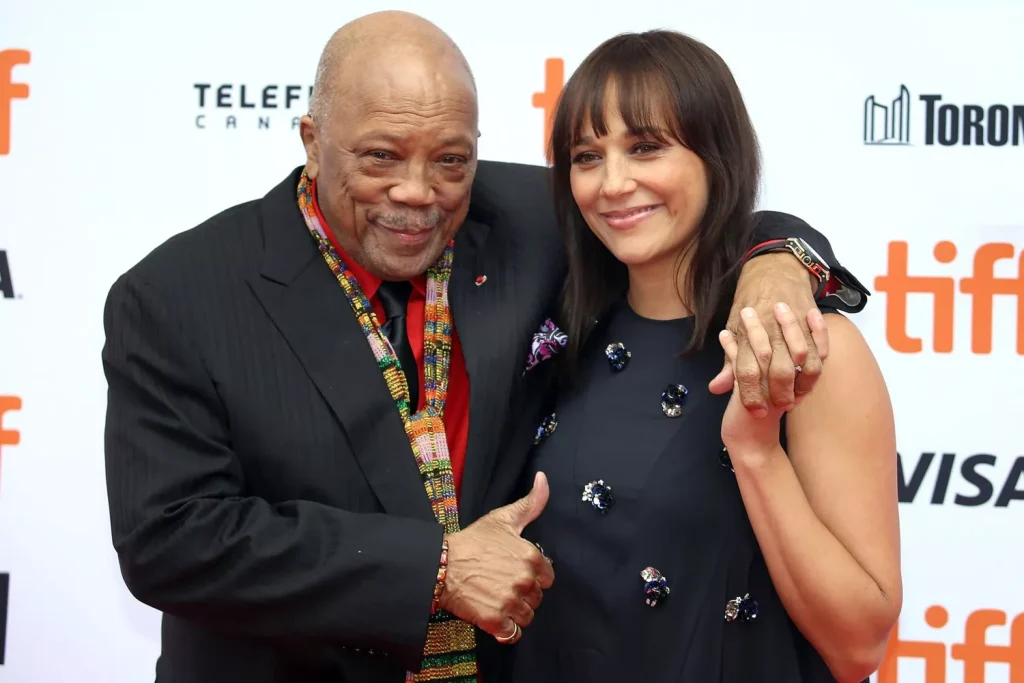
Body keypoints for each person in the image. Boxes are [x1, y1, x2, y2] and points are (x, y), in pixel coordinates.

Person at [100, 12, 871, 683]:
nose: (417, 191)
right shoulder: (181, 296)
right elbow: (169, 538)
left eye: (450, 159)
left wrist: (781, 261)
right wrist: (432, 569)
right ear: (312, 140)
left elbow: (695, 208)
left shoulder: (535, 219)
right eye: (379, 157)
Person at [509, 30, 901, 683]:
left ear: (716, 154)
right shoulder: (556, 334)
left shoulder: (801, 348)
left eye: (645, 147)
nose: (613, 183)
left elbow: (858, 645)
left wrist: (756, 453)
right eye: (586, 155)